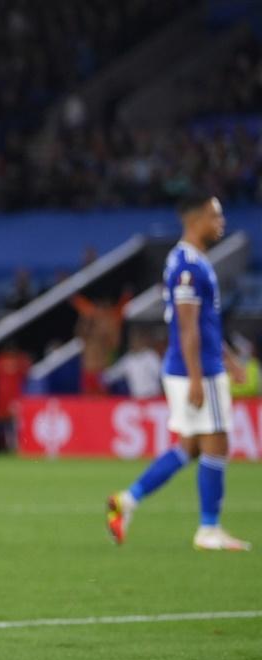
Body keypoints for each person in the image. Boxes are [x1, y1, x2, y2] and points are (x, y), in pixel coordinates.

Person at [107, 193, 249, 551]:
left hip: (193, 367)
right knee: (217, 444)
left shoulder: (190, 261)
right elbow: (189, 329)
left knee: (189, 447)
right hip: (195, 370)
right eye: (215, 216)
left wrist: (230, 358)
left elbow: (204, 324)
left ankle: (128, 500)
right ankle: (209, 530)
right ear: (195, 219)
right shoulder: (188, 266)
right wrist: (199, 377)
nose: (221, 222)